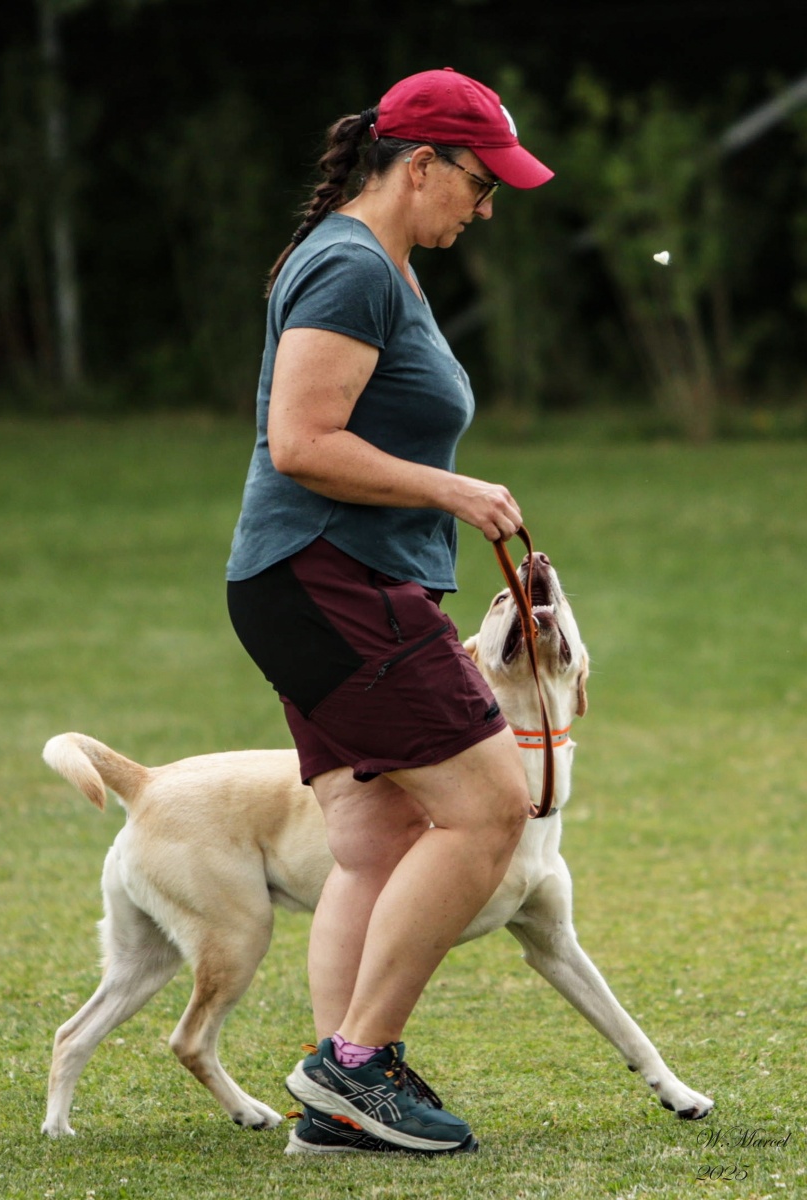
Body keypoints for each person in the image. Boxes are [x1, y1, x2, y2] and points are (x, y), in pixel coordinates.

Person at [226, 67, 554, 1155]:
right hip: (329, 580)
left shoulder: (376, 264)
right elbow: (301, 441)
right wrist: (451, 490)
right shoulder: (351, 267)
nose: (487, 206)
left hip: (307, 583)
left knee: (375, 842)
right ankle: (357, 1066)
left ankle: (339, 1106)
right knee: (491, 808)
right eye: (480, 182)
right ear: (420, 164)